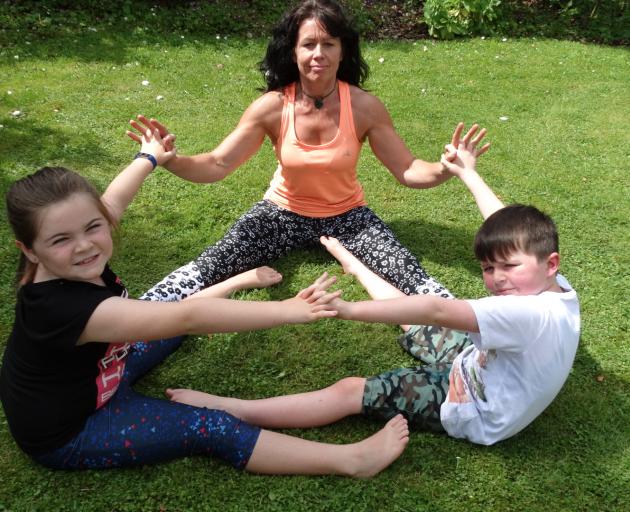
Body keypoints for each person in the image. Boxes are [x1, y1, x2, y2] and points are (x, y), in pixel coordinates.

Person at [0, 129, 411, 476]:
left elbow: (111, 204)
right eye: (60, 240)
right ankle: (351, 460)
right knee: (210, 426)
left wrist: (149, 157)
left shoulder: (78, 257)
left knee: (166, 328)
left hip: (105, 373)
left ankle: (238, 280)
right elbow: (189, 316)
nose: (85, 245)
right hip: (75, 428)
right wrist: (287, 310)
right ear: (30, 250)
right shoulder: (63, 307)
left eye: (92, 227)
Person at [167, 123, 581, 446]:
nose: (497, 279)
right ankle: (357, 266)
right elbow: (508, 229)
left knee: (351, 390)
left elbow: (433, 308)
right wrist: (468, 174)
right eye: (490, 269)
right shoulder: (551, 285)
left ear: (550, 263)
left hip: (477, 406)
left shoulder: (520, 310)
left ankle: (232, 409)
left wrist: (345, 310)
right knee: (412, 318)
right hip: (488, 361)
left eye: (507, 267)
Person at [126, 0, 489, 307]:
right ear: (293, 50)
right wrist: (170, 160)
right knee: (210, 265)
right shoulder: (270, 107)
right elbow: (218, 164)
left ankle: (472, 332)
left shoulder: (364, 107)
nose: (319, 54)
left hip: (349, 217)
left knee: (410, 275)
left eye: (329, 44)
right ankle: (138, 316)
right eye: (308, 44)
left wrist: (445, 169)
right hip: (281, 213)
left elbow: (408, 170)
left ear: (342, 50)